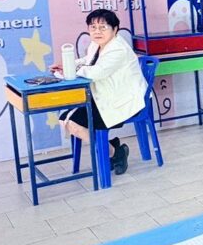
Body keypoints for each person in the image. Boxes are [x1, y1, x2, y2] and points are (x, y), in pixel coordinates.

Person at [53, 9, 147, 176]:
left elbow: (97, 72)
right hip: (103, 96)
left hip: (122, 100)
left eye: (103, 27)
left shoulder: (118, 49)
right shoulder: (96, 44)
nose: (97, 31)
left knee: (72, 122)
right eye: (93, 27)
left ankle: (112, 152)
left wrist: (70, 70)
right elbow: (87, 61)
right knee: (65, 120)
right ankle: (114, 151)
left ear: (115, 29)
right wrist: (67, 64)